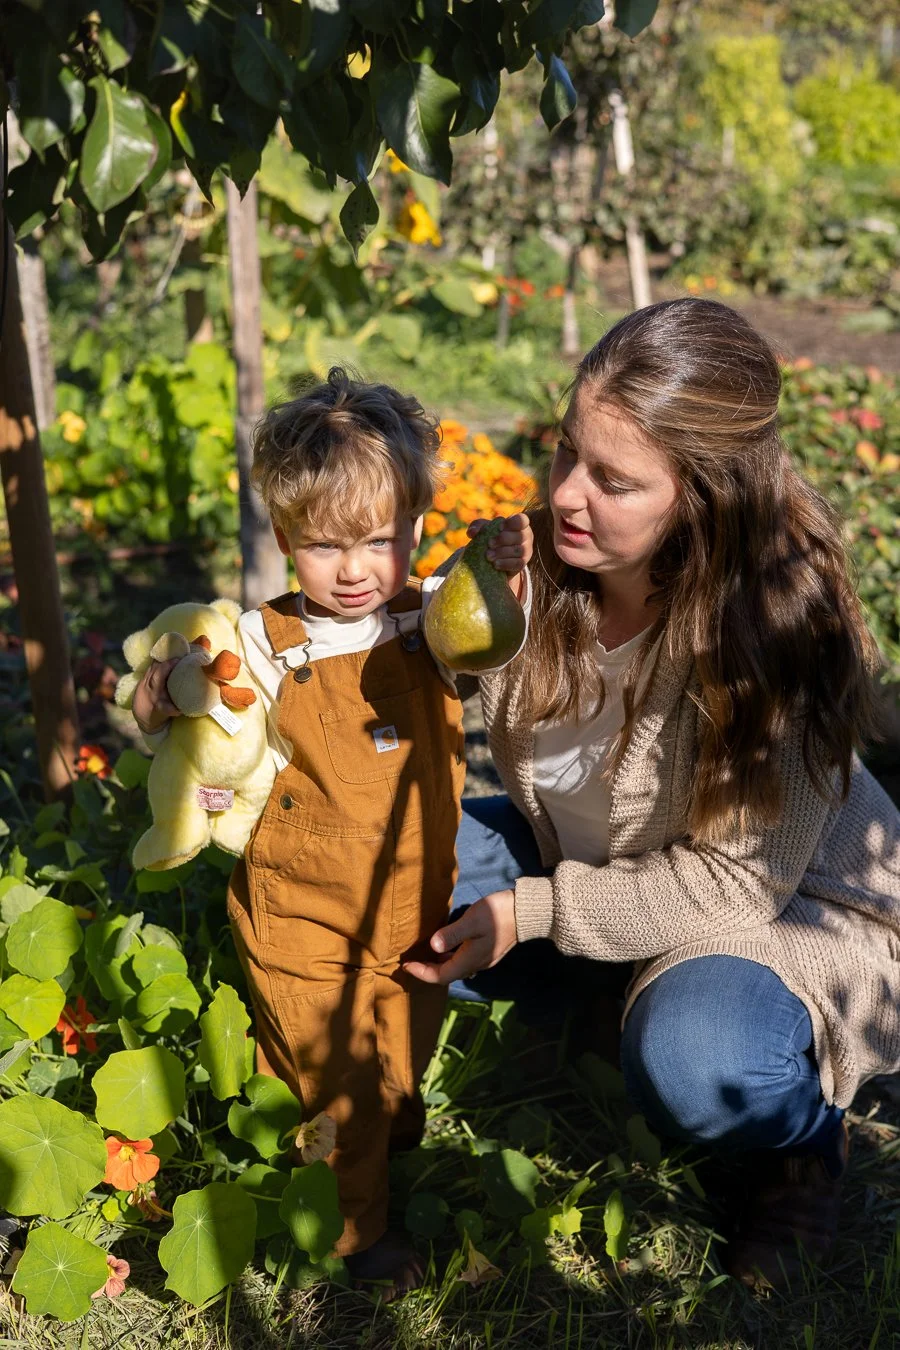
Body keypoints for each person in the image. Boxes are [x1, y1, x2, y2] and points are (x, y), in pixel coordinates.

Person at [404, 298, 900, 1290]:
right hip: (612, 866)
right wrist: (215, 668)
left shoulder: (773, 636)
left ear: (704, 500)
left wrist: (533, 911)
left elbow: (729, 887)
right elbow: (397, 652)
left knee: (698, 1052)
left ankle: (800, 1146)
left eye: (615, 481)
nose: (568, 497)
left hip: (797, 914)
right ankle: (610, 992)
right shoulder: (543, 566)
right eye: (565, 455)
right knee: (394, 857)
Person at [132, 368, 532, 1296]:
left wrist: (503, 568)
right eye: (325, 547)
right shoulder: (262, 646)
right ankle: (357, 1235)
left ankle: (344, 1156)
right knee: (337, 1066)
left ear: (418, 529)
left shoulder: (435, 617)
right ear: (284, 539)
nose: (356, 570)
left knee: (399, 1052)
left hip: (412, 901)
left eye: (381, 541)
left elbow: (496, 637)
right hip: (301, 910)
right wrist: (158, 696)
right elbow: (194, 721)